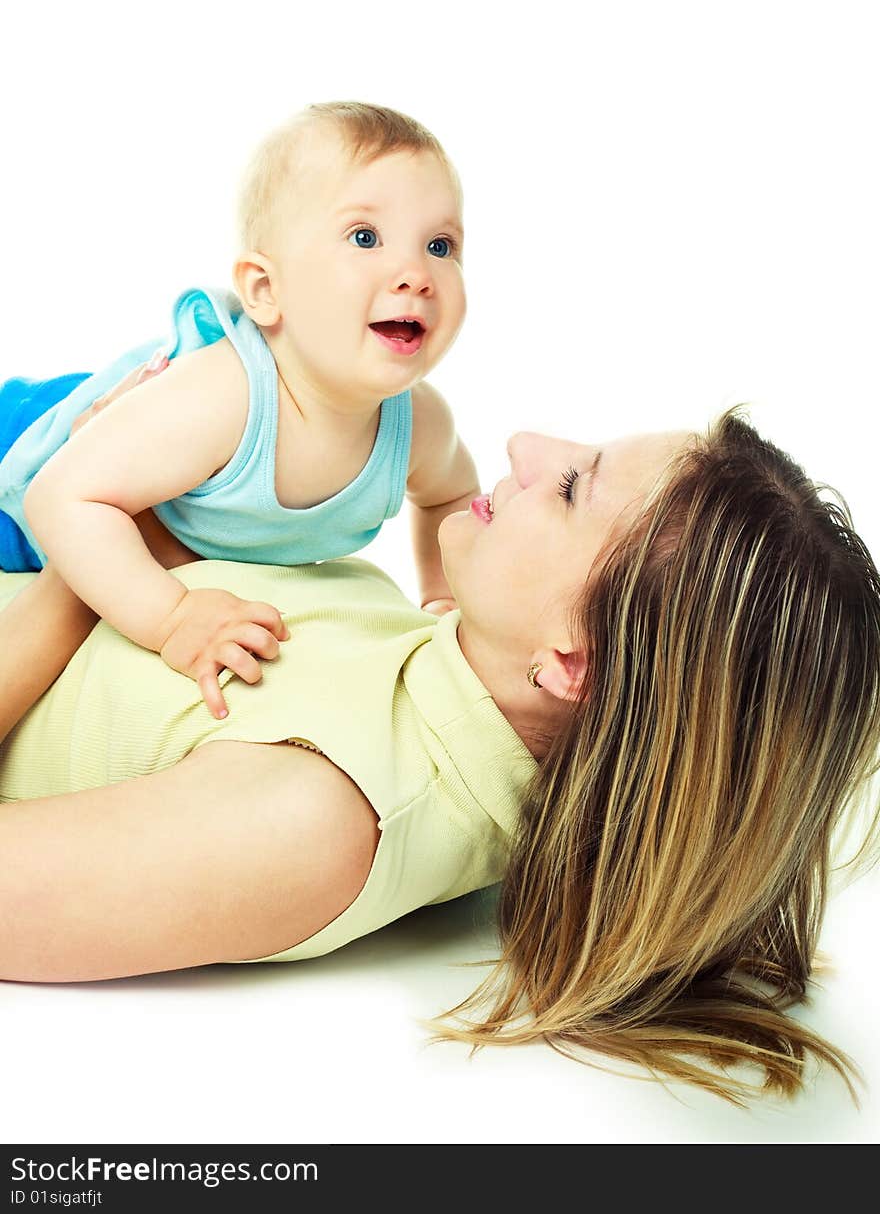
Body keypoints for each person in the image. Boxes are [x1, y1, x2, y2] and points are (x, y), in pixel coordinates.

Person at [1, 395, 879, 1109]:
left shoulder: (319, 814)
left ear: (573, 661)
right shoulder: (436, 660)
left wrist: (90, 551)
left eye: (572, 487)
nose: (527, 442)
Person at [0, 101, 477, 718]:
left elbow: (451, 498)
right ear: (264, 290)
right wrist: (171, 617)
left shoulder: (419, 425)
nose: (416, 274)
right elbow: (60, 497)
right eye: (365, 237)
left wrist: (441, 596)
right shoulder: (229, 397)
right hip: (25, 449)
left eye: (441, 244)